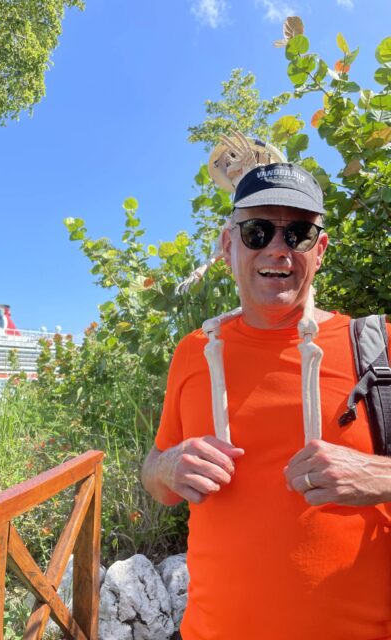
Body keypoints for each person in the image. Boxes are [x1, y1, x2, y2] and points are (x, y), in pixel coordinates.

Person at [141, 162, 391, 640]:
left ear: (319, 249)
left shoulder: (379, 348)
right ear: (228, 244)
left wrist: (377, 474)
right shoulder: (195, 352)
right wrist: (169, 466)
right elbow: (155, 477)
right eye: (258, 231)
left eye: (297, 233)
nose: (278, 248)